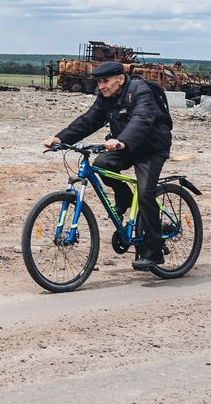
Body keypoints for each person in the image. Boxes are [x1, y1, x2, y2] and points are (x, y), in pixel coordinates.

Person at [42, 60, 172, 270]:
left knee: (146, 191)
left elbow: (141, 120)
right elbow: (89, 120)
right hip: (124, 145)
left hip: (151, 148)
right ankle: (125, 197)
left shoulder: (141, 91)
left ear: (120, 79)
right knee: (102, 163)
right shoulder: (106, 98)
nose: (101, 86)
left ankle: (153, 251)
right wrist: (60, 138)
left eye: (105, 81)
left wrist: (122, 141)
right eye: (99, 82)